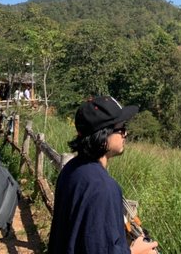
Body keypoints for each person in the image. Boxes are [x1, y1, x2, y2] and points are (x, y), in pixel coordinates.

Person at [48, 96, 158, 254]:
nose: (125, 134)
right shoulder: (103, 187)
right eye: (121, 128)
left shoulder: (72, 169)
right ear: (102, 134)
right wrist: (134, 252)